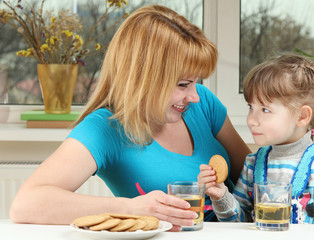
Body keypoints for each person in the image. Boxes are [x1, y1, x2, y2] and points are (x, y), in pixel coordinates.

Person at [9, 5, 251, 231]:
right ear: (142, 79)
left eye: (197, 82)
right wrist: (131, 208)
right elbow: (27, 203)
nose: (194, 96)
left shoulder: (204, 104)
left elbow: (255, 174)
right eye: (183, 84)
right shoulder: (105, 128)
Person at [198, 54, 314, 224]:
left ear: (302, 116)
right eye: (251, 107)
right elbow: (239, 224)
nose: (251, 120)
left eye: (265, 110)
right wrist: (221, 196)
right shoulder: (252, 164)